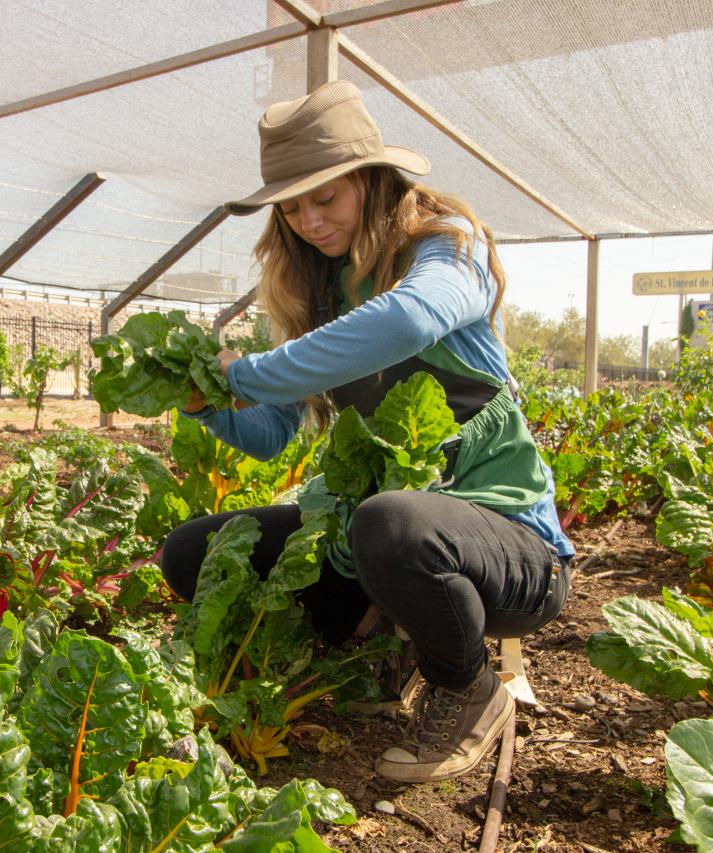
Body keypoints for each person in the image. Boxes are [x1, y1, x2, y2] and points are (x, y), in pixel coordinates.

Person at [160, 80, 574, 784]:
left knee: (392, 525)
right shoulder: (320, 291)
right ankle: (374, 640)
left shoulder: (447, 249)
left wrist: (249, 371)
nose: (309, 219)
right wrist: (206, 403)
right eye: (292, 207)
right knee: (196, 550)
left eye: (326, 196)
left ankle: (467, 686)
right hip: (376, 548)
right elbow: (270, 436)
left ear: (373, 179)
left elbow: (409, 320)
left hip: (509, 550)